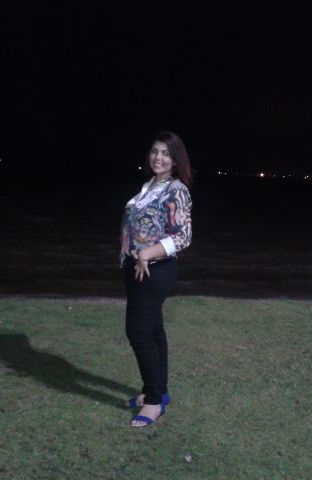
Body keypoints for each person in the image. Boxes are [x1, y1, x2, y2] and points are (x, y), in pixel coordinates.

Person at [120, 130, 193, 427]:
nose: (158, 158)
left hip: (156, 268)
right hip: (137, 266)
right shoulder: (150, 185)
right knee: (153, 330)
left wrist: (146, 253)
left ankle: (153, 402)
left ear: (175, 160)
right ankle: (159, 391)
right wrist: (132, 255)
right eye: (154, 151)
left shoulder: (177, 189)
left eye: (165, 153)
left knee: (138, 332)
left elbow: (183, 236)